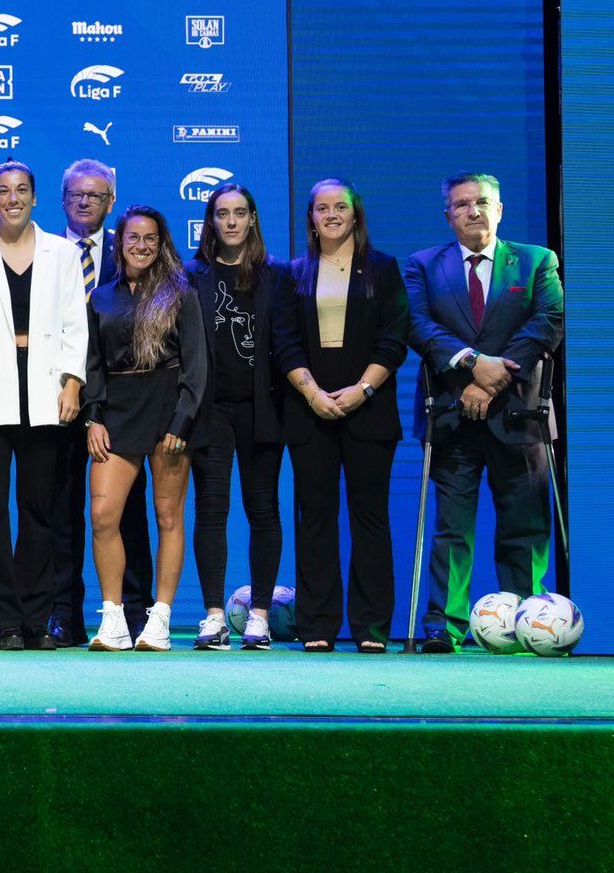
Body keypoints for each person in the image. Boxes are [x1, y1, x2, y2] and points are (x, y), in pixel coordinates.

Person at [404, 174, 565, 652]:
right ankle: (444, 625)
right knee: (451, 527)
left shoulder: (537, 260)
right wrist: (474, 366)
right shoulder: (423, 265)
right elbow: (418, 325)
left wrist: (493, 379)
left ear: (500, 209)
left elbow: (547, 322)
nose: (472, 211)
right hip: (453, 413)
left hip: (519, 413)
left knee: (524, 524)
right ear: (448, 215)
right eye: (461, 204)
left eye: (482, 203)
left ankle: (523, 622)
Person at [0, 161, 87, 650]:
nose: (12, 198)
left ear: (35, 197)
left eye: (22, 190)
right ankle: (2, 620)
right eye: (3, 191)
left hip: (48, 389)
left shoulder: (62, 253)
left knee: (39, 511)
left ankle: (34, 618)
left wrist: (73, 384)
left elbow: (76, 324)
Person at [274, 178, 409, 653]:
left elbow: (394, 340)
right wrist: (312, 393)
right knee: (315, 518)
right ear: (310, 217)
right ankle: (317, 625)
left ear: (356, 214)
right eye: (322, 208)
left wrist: (363, 389)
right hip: (309, 411)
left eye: (341, 207)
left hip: (368, 409)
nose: (331, 215)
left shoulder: (384, 269)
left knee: (369, 517)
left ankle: (372, 628)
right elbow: (284, 342)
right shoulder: (292, 274)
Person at [83, 208, 207, 652]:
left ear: (161, 243)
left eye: (150, 239)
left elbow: (196, 367)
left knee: (168, 515)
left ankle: (160, 617)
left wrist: (182, 421)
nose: (141, 246)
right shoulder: (101, 298)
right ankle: (113, 617)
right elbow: (92, 365)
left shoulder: (180, 293)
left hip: (168, 408)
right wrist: (93, 416)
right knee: (102, 515)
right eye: (133, 238)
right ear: (120, 243)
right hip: (117, 410)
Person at [186, 183, 292, 649]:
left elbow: (289, 345)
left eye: (239, 213)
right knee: (211, 511)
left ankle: (261, 616)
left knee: (263, 509)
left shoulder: (279, 276)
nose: (231, 222)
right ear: (211, 222)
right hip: (210, 411)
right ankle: (213, 616)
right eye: (222, 214)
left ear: (252, 219)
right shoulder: (191, 276)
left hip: (262, 409)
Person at [51, 158, 152, 645]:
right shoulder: (47, 252)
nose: (86, 201)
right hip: (55, 397)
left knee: (126, 511)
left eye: (96, 194)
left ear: (111, 201)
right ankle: (64, 613)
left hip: (120, 405)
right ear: (63, 199)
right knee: (62, 509)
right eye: (77, 194)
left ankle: (135, 611)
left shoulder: (132, 250)